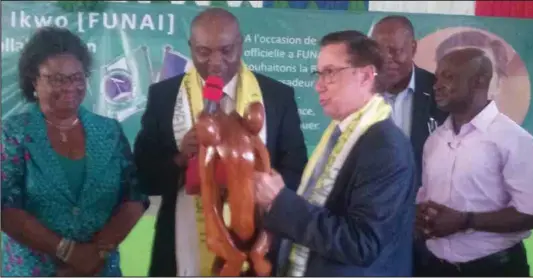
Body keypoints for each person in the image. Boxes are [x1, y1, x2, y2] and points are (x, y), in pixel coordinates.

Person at [134, 8, 308, 277]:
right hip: (183, 244)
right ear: (191, 47)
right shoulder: (164, 97)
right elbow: (144, 177)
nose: (216, 62)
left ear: (241, 44)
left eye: (227, 50)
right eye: (204, 52)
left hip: (256, 244)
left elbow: (297, 171)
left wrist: (257, 184)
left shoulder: (276, 97)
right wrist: (181, 158)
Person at [252, 30, 416, 276]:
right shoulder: (339, 134)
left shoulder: (386, 147)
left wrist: (280, 201)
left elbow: (362, 244)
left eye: (330, 73)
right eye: (318, 74)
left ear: (365, 76)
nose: (318, 85)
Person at [1, 27, 149, 276]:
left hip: (99, 270)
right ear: (34, 80)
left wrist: (97, 254)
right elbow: (5, 206)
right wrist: (69, 253)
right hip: (33, 270)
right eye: (57, 79)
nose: (70, 87)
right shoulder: (12, 134)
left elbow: (134, 197)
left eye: (77, 77)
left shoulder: (109, 131)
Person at [415, 48, 533, 277]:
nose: (436, 85)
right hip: (434, 266)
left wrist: (465, 221)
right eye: (437, 78)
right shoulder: (434, 141)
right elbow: (427, 196)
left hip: (493, 267)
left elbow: (531, 215)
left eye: (449, 77)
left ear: (479, 81)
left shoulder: (514, 140)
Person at [370, 15, 448, 175]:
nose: (386, 59)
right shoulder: (362, 94)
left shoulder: (439, 91)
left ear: (413, 48)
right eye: (379, 52)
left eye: (395, 51)